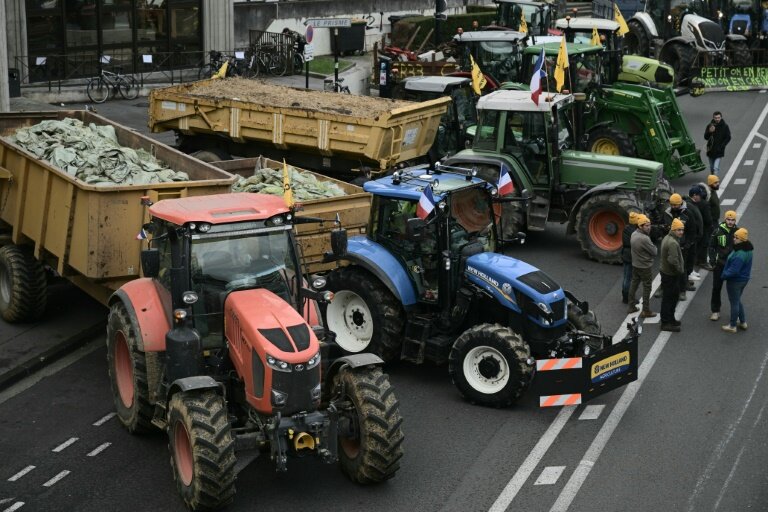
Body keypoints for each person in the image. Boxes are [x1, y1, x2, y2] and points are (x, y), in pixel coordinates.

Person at [720, 228, 752, 333]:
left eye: (736, 237)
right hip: (744, 279)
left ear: (742, 239)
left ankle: (732, 325)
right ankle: (742, 322)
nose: (734, 239)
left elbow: (734, 271)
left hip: (735, 281)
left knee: (734, 302)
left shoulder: (740, 254)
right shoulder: (747, 249)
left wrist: (724, 275)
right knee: (737, 300)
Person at [709, 210, 739, 321]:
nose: (730, 222)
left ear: (735, 220)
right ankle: (715, 311)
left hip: (733, 266)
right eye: (728, 219)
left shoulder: (738, 232)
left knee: (735, 290)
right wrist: (712, 260)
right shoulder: (717, 231)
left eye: (732, 220)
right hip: (720, 265)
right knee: (716, 288)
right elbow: (711, 246)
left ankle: (736, 313)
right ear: (725, 219)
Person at [627, 214, 658, 317]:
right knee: (647, 287)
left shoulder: (634, 234)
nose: (649, 227)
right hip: (645, 267)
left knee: (634, 284)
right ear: (640, 226)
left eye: (649, 225)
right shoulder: (644, 238)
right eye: (646, 226)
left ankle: (631, 306)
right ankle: (646, 310)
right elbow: (654, 251)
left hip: (636, 264)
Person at [660, 218, 685, 332]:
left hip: (666, 273)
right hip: (670, 274)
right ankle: (666, 322)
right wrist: (680, 270)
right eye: (679, 230)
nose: (681, 232)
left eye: (682, 230)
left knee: (670, 297)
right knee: (669, 298)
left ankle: (670, 319)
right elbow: (673, 260)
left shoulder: (668, 238)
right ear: (674, 230)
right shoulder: (673, 243)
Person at [688, 186, 712, 275]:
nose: (700, 197)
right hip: (703, 229)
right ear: (694, 195)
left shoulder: (688, 203)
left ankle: (697, 261)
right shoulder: (704, 204)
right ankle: (703, 262)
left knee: (695, 246)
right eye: (699, 195)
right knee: (704, 244)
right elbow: (708, 220)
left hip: (693, 230)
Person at [703, 111, 731, 175]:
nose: (717, 119)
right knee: (712, 168)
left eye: (718, 117)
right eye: (716, 118)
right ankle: (713, 180)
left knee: (716, 168)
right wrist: (710, 132)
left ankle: (715, 182)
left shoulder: (725, 126)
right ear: (713, 118)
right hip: (710, 150)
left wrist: (722, 146)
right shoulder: (709, 126)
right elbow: (706, 137)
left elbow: (728, 137)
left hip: (719, 150)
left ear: (721, 117)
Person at [621, 211, 639, 304]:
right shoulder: (635, 232)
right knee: (630, 278)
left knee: (625, 277)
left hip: (625, 255)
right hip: (631, 256)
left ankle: (624, 296)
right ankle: (629, 298)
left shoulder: (626, 228)